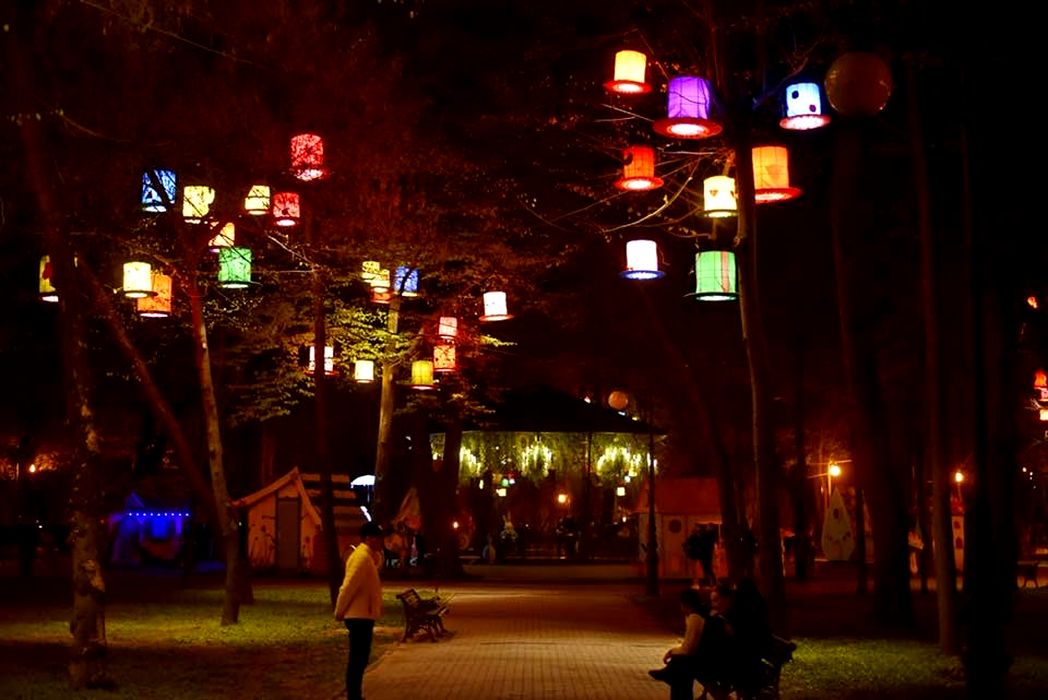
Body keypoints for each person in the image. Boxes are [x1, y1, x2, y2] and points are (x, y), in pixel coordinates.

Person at [334, 521, 385, 700]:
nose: (381, 541)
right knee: (358, 659)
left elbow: (375, 568)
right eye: (379, 538)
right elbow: (348, 587)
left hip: (364, 615)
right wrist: (339, 610)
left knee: (360, 658)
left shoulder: (367, 557)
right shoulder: (361, 558)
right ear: (369, 538)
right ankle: (354, 696)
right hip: (358, 616)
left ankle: (355, 694)